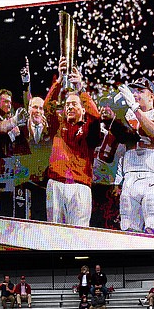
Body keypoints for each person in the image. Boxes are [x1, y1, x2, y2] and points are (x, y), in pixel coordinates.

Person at [114, 77, 154, 235]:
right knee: (128, 234)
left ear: (151, 96)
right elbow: (114, 151)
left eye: (140, 90)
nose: (135, 94)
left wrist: (136, 109)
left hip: (152, 178)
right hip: (129, 179)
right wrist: (115, 114)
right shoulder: (127, 115)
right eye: (134, 90)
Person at [42, 57, 101, 226]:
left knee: (78, 236)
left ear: (83, 109)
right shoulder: (58, 126)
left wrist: (80, 89)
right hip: (56, 183)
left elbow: (96, 116)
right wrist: (59, 81)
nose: (69, 107)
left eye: (74, 104)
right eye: (67, 104)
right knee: (54, 234)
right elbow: (47, 107)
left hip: (80, 186)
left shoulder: (89, 129)